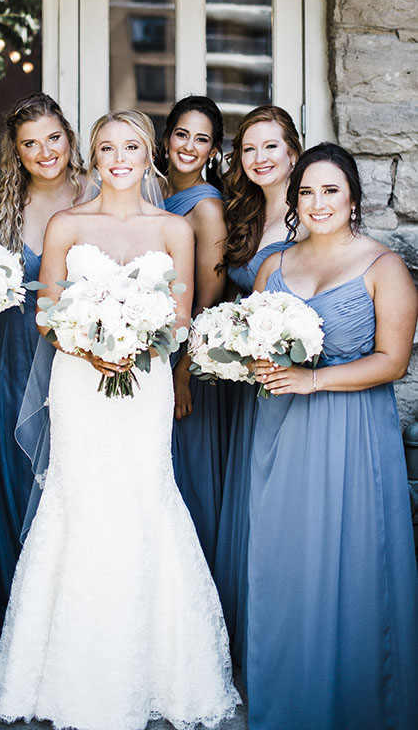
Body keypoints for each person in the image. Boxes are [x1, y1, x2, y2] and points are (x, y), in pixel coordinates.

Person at [0, 110, 240, 730]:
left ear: (149, 154)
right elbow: (44, 313)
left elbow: (181, 319)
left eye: (131, 146)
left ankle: (157, 666)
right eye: (107, 147)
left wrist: (137, 344)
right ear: (92, 155)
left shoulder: (175, 228)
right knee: (80, 501)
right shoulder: (68, 223)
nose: (119, 157)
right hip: (77, 380)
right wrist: (90, 344)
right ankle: (62, 665)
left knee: (144, 497)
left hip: (143, 384)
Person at [248, 142, 418, 730]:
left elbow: (392, 361)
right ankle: (289, 695)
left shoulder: (384, 266)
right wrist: (249, 363)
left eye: (331, 191)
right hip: (277, 429)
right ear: (294, 199)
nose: (317, 202)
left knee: (348, 560)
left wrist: (313, 380)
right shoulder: (274, 266)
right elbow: (253, 341)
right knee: (283, 556)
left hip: (350, 431)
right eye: (307, 191)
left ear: (352, 199)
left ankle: (352, 700)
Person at [0, 92, 85, 639]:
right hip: (10, 355)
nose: (45, 152)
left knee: (73, 476)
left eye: (53, 138)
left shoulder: (100, 192)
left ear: (69, 136)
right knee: (16, 469)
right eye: (30, 144)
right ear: (15, 151)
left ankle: (67, 617)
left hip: (79, 359)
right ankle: (18, 619)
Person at [213, 104, 302, 664]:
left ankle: (289, 639)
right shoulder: (244, 216)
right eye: (249, 148)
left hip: (285, 376)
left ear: (293, 150)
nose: (260, 158)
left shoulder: (311, 213)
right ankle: (251, 637)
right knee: (248, 499)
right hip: (242, 379)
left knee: (281, 504)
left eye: (271, 146)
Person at [160, 95, 228, 569]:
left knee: (185, 476)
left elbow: (209, 299)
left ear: (213, 150)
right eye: (182, 134)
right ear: (166, 139)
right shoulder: (147, 190)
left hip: (184, 359)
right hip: (144, 346)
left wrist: (183, 372)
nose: (189, 145)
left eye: (201, 139)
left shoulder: (206, 207)